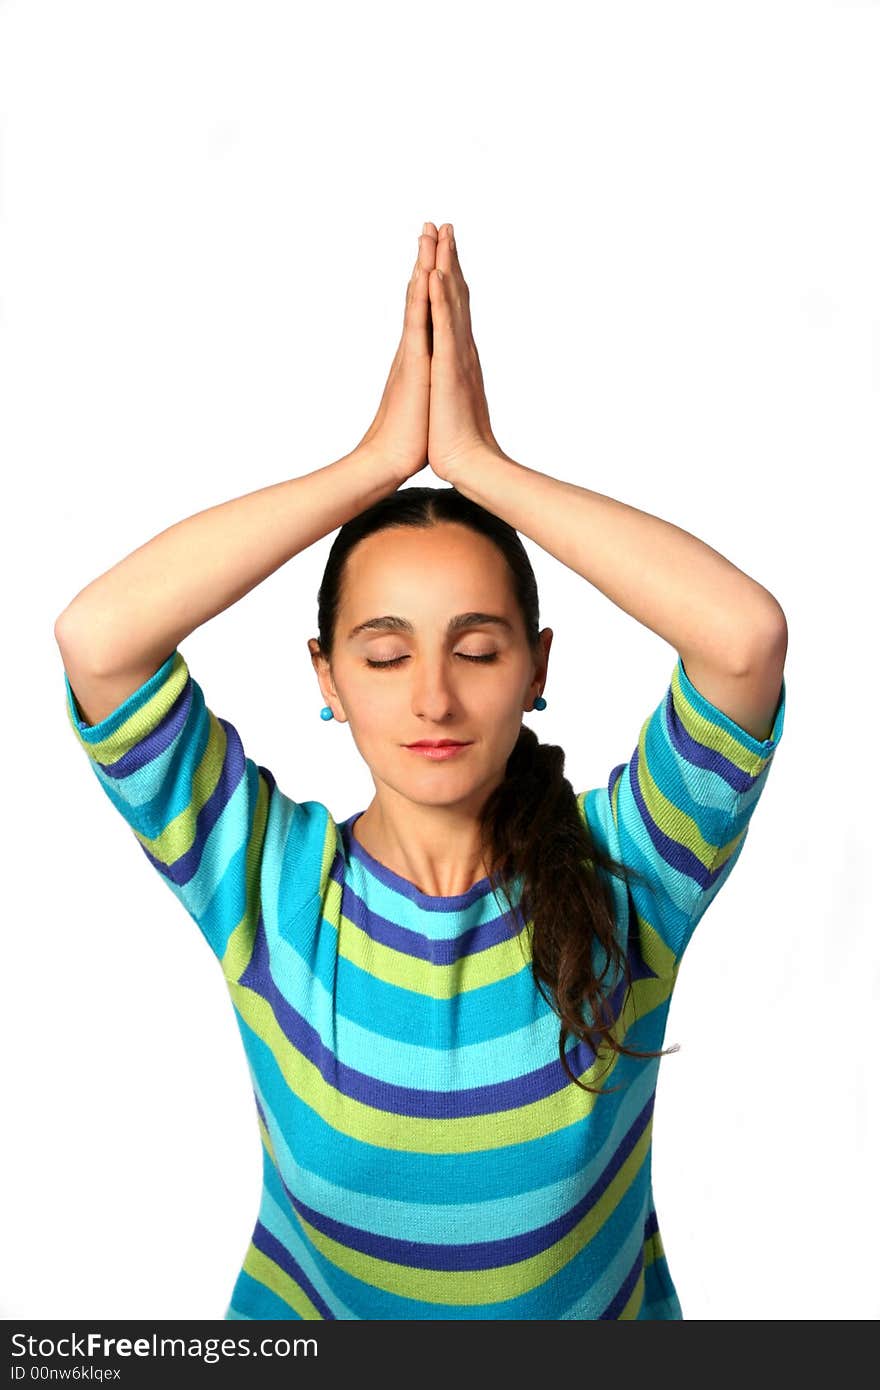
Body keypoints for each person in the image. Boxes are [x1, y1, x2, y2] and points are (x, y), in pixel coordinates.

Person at [55, 220, 788, 1321]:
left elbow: (743, 638)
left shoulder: (634, 870)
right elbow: (98, 639)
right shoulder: (262, 876)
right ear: (328, 674)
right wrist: (371, 467)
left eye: (478, 649)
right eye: (386, 654)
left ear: (538, 666)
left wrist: (482, 466)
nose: (432, 697)